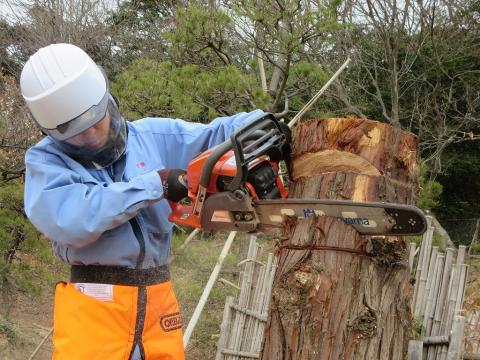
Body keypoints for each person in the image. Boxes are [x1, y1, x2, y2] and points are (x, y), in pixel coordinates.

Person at [20, 43, 271, 360]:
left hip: (158, 299)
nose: (93, 135)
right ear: (53, 132)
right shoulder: (45, 164)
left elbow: (215, 134)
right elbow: (74, 220)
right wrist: (156, 184)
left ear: (106, 100)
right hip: (94, 307)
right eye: (79, 134)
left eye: (97, 121)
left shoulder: (153, 136)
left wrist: (260, 126)